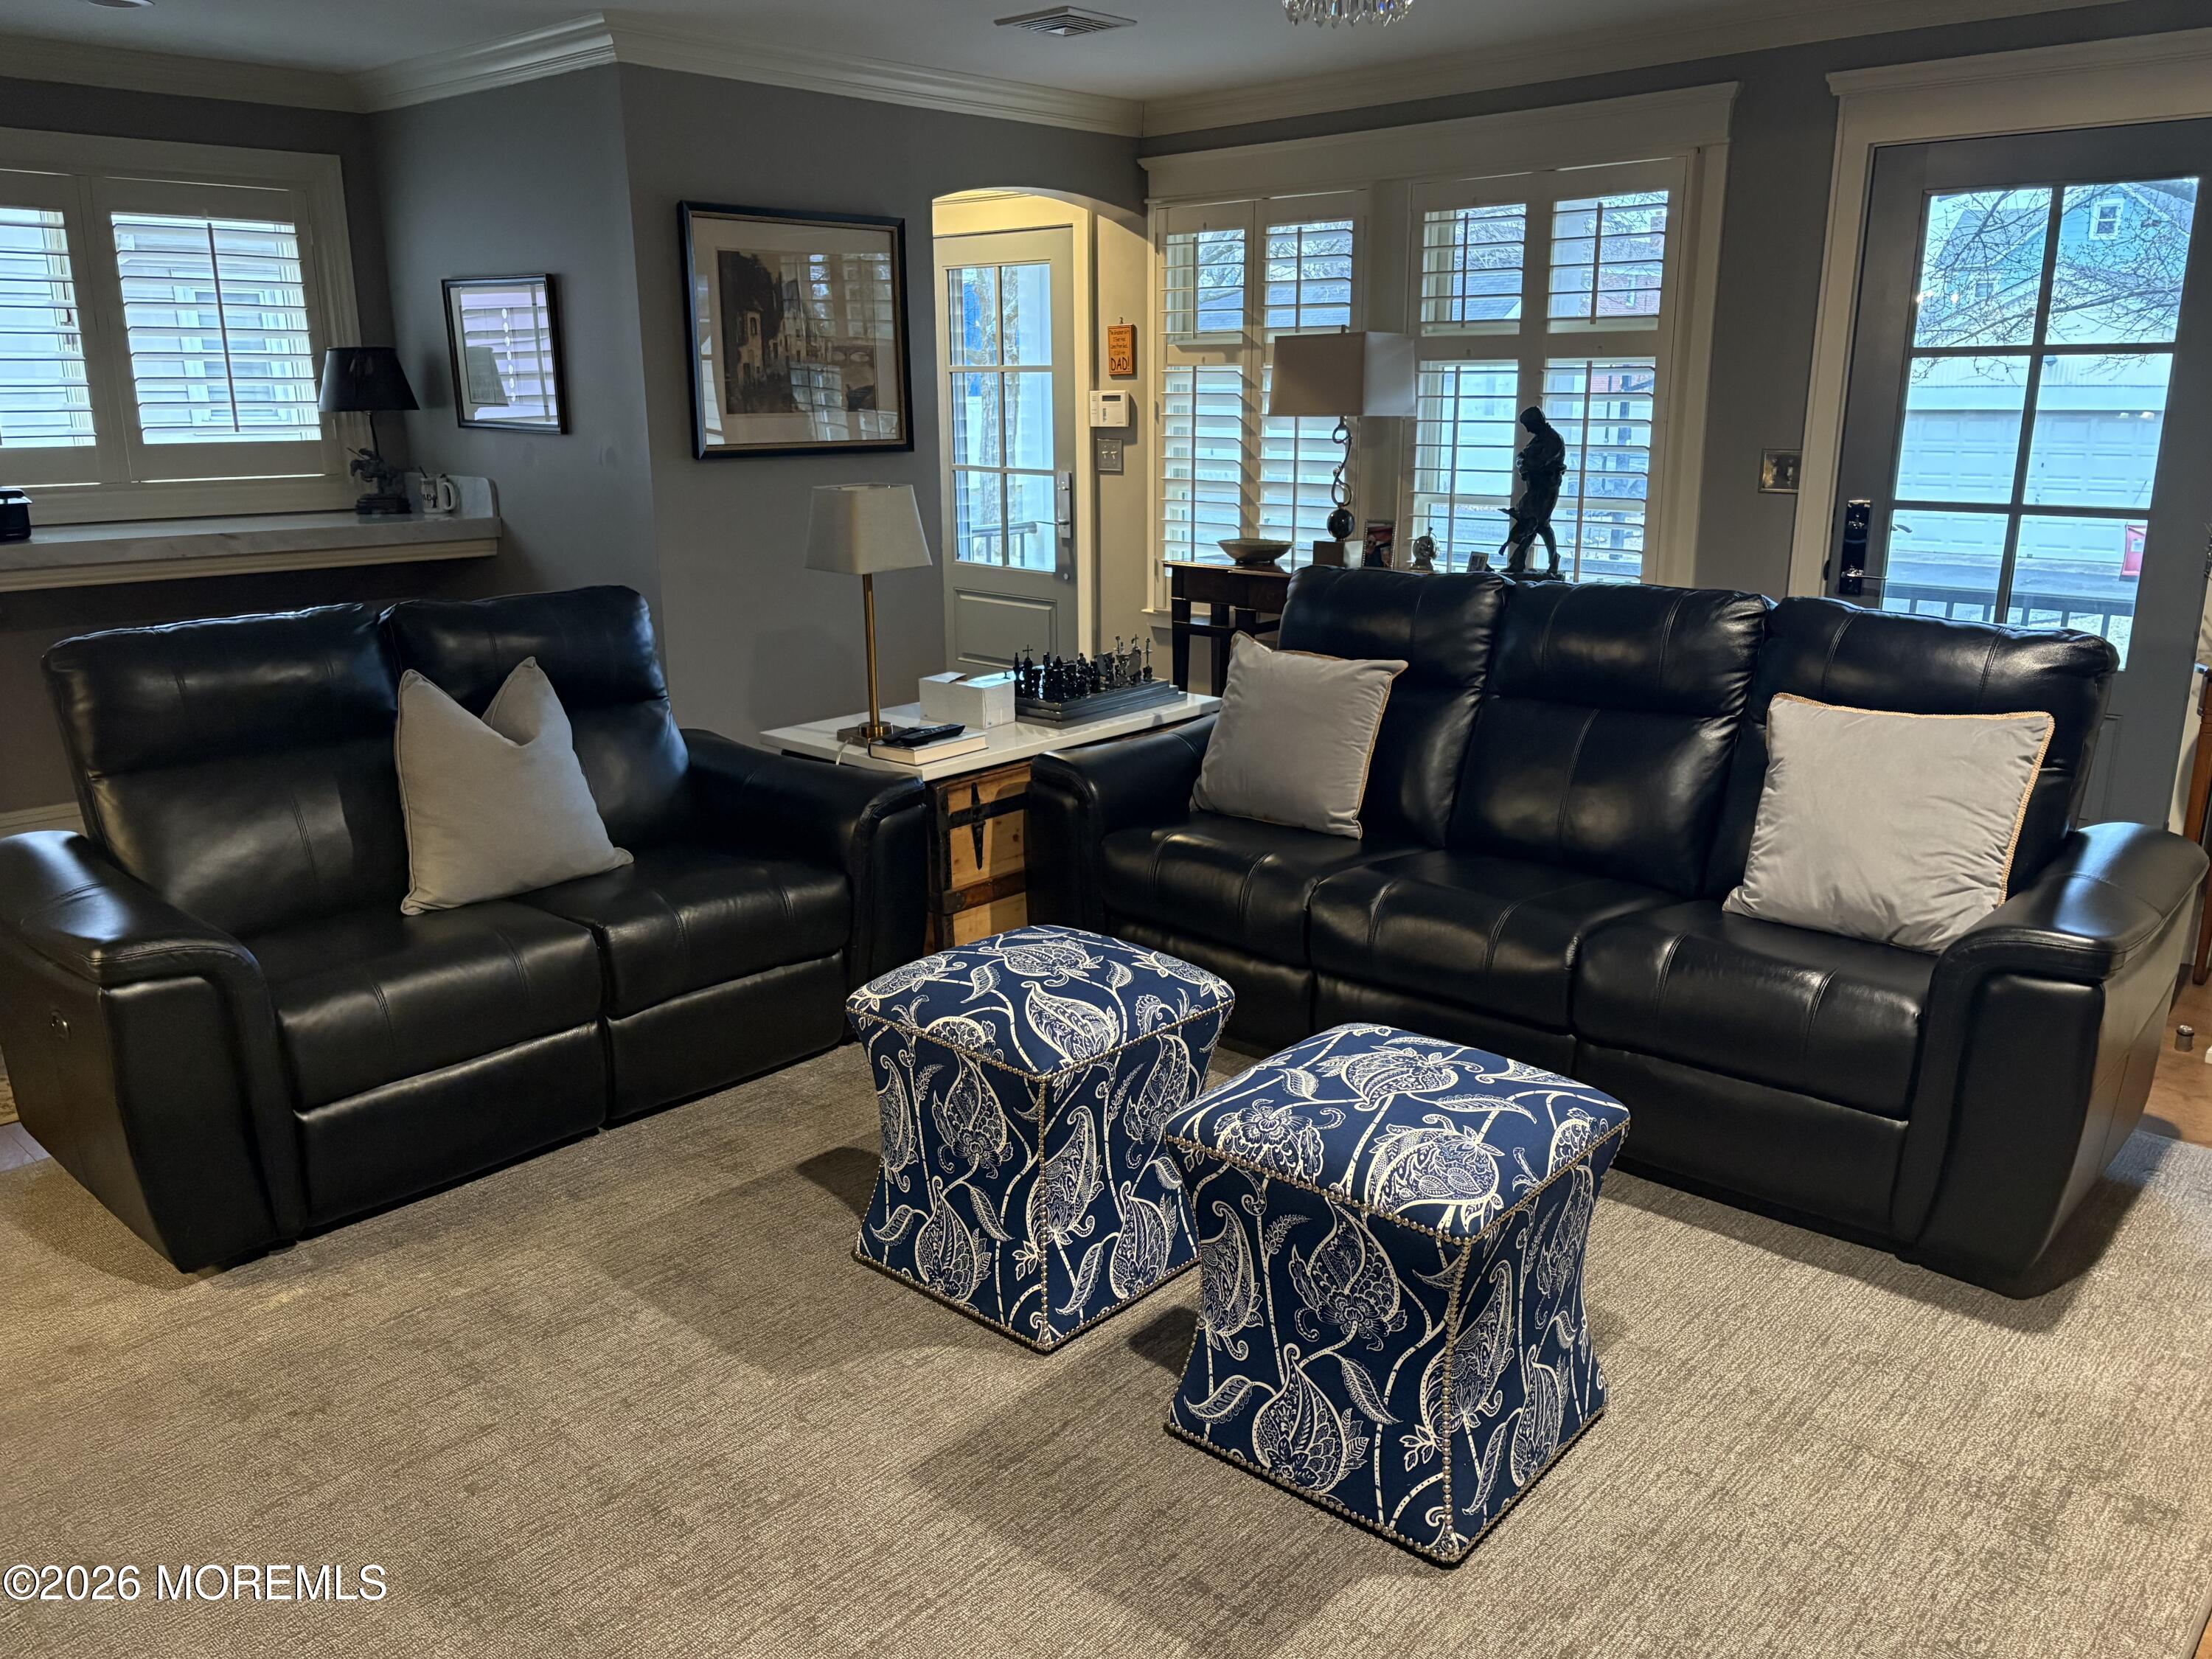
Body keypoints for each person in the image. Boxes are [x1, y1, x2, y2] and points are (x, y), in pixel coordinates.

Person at [1497, 406, 1565, 577]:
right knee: (1530, 524)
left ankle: (1552, 558)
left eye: (1528, 425)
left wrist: (1526, 464)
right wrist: (1524, 463)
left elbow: (1540, 462)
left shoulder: (1553, 439)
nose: (1527, 429)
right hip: (1534, 488)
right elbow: (1521, 458)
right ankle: (1518, 561)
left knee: (1541, 524)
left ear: (1537, 422)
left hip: (1546, 489)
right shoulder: (1537, 439)